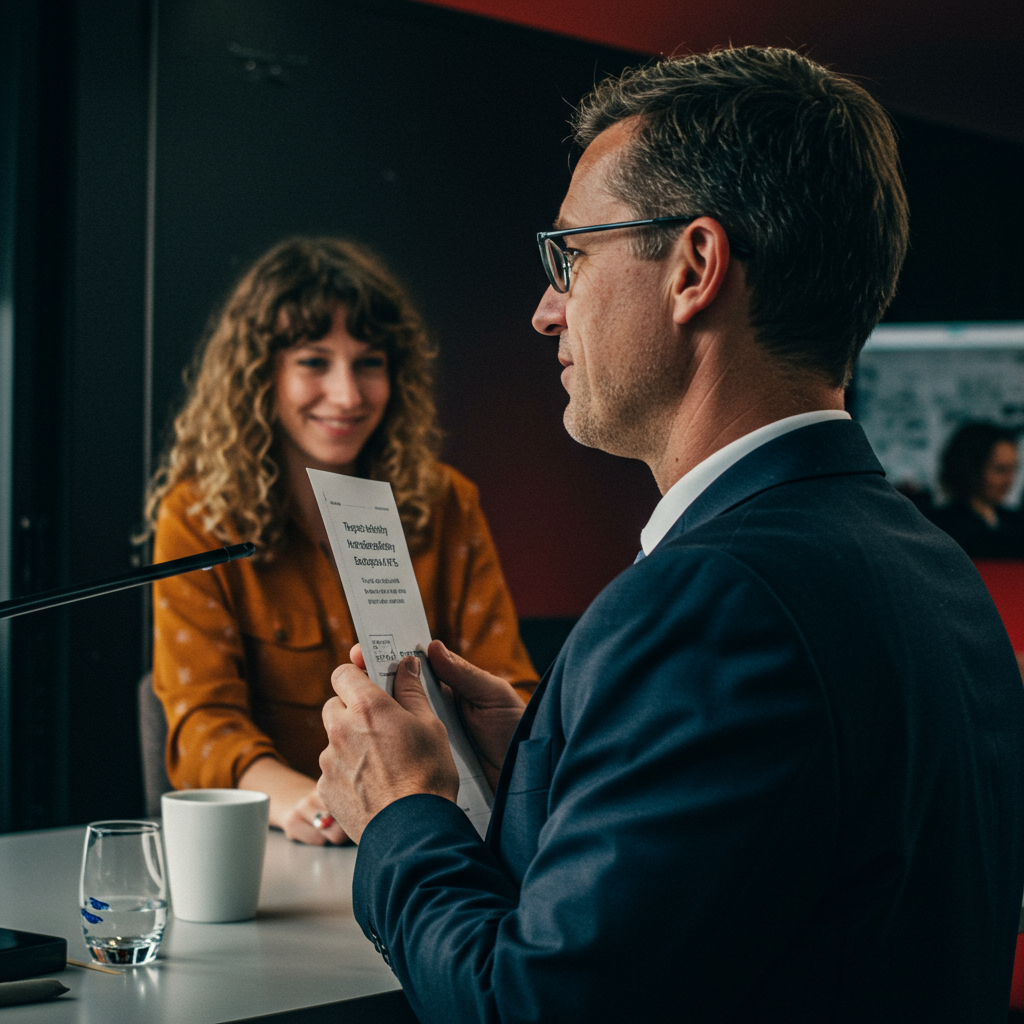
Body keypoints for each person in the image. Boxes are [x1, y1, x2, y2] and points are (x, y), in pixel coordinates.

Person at [317, 48, 1024, 1022]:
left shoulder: (715, 601)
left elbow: (528, 1006)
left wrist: (401, 813)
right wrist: (552, 752)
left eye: (571, 255)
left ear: (694, 266)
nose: (544, 308)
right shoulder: (931, 570)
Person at [146, 237, 537, 846]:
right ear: (258, 375)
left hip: (440, 842)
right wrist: (309, 803)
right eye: (313, 361)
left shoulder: (448, 503)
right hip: (295, 848)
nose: (348, 395)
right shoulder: (197, 519)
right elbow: (202, 726)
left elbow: (511, 690)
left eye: (369, 362)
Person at [929, 422, 1024, 559]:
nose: (1010, 480)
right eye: (1000, 469)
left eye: (1014, 470)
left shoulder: (1015, 521)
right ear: (972, 469)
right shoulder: (942, 525)